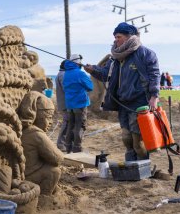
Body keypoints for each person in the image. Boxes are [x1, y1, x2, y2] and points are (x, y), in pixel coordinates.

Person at [84, 22, 160, 161]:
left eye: (118, 36)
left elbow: (154, 75)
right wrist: (93, 70)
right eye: (115, 37)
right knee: (126, 138)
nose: (115, 40)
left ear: (129, 37)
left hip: (139, 103)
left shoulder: (145, 53)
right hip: (122, 104)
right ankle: (130, 165)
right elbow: (106, 74)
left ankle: (143, 166)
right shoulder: (116, 58)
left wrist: (154, 96)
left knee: (138, 141)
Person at [18, 92, 64, 195]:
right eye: (48, 117)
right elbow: (58, 159)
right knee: (54, 171)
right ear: (37, 116)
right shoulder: (36, 134)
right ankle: (44, 198)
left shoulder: (22, 130)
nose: (51, 122)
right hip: (28, 177)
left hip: (21, 175)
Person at [63, 54, 93, 153]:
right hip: (80, 103)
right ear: (78, 62)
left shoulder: (66, 73)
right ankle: (77, 148)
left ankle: (68, 147)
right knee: (79, 126)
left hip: (69, 104)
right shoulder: (80, 73)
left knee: (70, 125)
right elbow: (90, 86)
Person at [55, 60, 68, 152]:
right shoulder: (63, 74)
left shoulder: (61, 73)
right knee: (66, 123)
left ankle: (63, 143)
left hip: (64, 103)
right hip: (66, 103)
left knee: (67, 122)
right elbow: (67, 88)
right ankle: (61, 144)